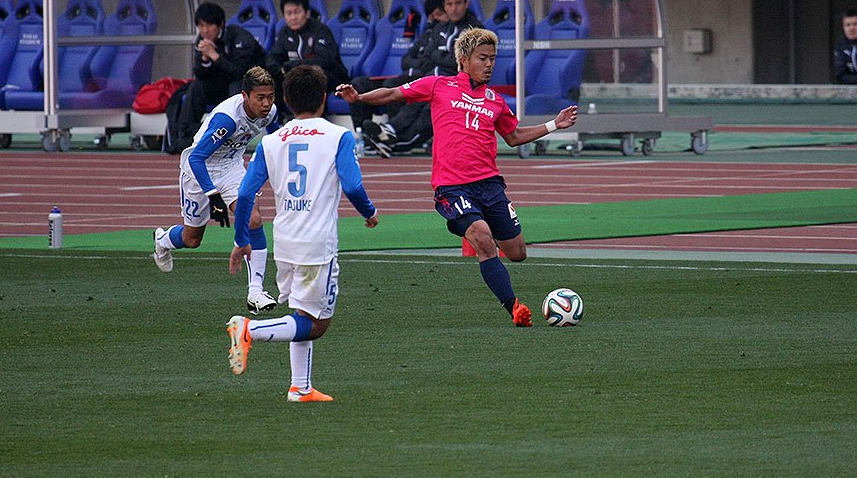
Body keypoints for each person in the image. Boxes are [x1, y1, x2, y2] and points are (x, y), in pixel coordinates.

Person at [336, 28, 578, 326]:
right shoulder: (438, 85)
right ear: (463, 59)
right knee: (483, 238)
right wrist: (359, 97)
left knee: (517, 253)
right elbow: (393, 93)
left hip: (490, 185)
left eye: (492, 58)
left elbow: (513, 136)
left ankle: (473, 224)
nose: (489, 64)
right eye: (482, 58)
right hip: (452, 187)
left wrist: (554, 125)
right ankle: (514, 307)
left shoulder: (495, 100)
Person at [226, 64, 378, 402]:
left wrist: (241, 239)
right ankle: (250, 329)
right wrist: (370, 213)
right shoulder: (338, 136)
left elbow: (246, 193)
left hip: (285, 241)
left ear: (286, 100)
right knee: (317, 324)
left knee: (302, 313)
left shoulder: (271, 141)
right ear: (323, 98)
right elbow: (353, 186)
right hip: (316, 244)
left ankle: (300, 387)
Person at [152, 66, 281, 314]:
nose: (266, 104)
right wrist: (213, 196)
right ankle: (162, 240)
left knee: (253, 219)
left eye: (270, 97)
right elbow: (196, 158)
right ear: (245, 96)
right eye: (260, 98)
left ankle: (256, 291)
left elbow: (278, 140)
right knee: (192, 239)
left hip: (232, 167)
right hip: (199, 170)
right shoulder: (227, 119)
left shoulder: (270, 112)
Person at [359, 0, 485, 157]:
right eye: (449, 4)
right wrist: (442, 57)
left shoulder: (476, 30)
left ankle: (392, 141)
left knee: (429, 108)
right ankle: (389, 133)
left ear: (466, 4)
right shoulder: (440, 28)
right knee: (415, 94)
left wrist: (438, 56)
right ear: (445, 6)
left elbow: (463, 63)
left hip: (461, 86)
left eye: (458, 3)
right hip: (434, 82)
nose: (454, 8)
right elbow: (426, 57)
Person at [173, 2, 265, 153]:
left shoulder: (240, 37)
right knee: (196, 86)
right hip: (221, 86)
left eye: (209, 25)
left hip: (245, 87)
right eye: (201, 26)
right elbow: (200, 74)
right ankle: (187, 135)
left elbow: (240, 73)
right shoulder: (202, 40)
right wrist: (204, 59)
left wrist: (214, 56)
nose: (205, 30)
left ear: (220, 24)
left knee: (236, 86)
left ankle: (233, 133)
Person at [347, 0, 446, 132]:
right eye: (431, 16)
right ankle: (362, 133)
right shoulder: (427, 34)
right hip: (404, 76)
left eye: (439, 14)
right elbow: (405, 60)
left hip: (420, 81)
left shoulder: (447, 37)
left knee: (392, 85)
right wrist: (418, 64)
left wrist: (416, 65)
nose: (434, 19)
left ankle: (391, 135)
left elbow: (430, 63)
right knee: (358, 84)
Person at [265, 0, 349, 120]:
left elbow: (323, 60)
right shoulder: (284, 33)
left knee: (313, 78)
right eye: (288, 13)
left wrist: (290, 67)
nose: (293, 17)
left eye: (297, 12)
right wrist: (278, 69)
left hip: (330, 77)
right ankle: (277, 121)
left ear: (307, 13)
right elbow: (273, 56)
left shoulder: (320, 30)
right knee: (273, 78)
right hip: (298, 77)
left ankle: (314, 121)